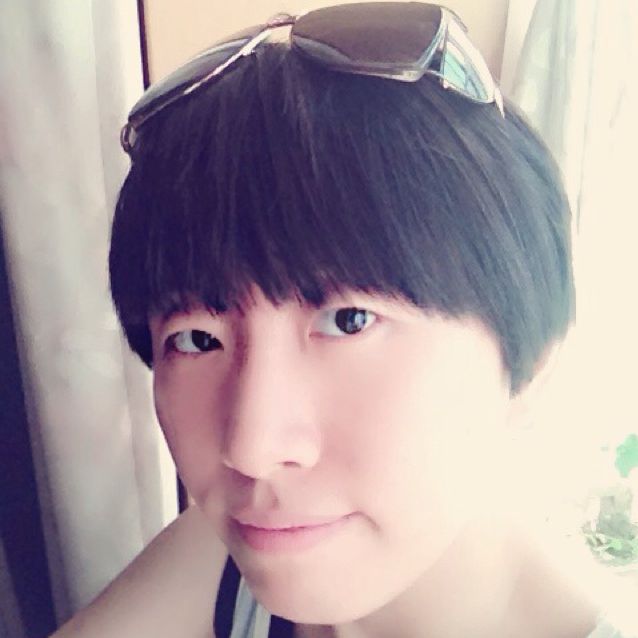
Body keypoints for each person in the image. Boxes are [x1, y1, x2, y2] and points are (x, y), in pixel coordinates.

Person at [52, 3, 637, 637]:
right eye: (197, 339)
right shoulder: (231, 557)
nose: (251, 451)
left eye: (350, 320)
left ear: (531, 365)